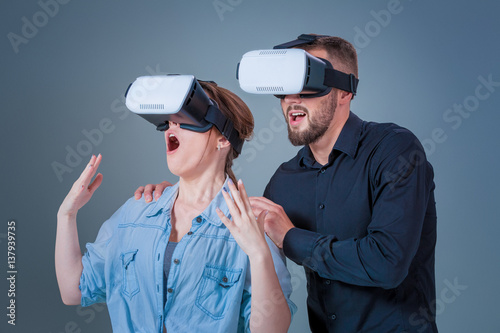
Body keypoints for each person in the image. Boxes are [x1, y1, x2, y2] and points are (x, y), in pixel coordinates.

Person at [137, 35, 438, 332]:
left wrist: (291, 236)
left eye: (306, 86)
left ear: (344, 92)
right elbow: (242, 242)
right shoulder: (284, 183)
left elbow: (387, 263)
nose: (291, 101)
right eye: (284, 90)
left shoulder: (394, 151)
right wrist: (178, 195)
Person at [55, 80, 295, 332]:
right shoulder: (136, 212)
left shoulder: (250, 225)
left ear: (223, 139)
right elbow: (74, 290)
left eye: (185, 118)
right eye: (169, 120)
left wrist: (258, 254)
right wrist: (66, 214)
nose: (172, 125)